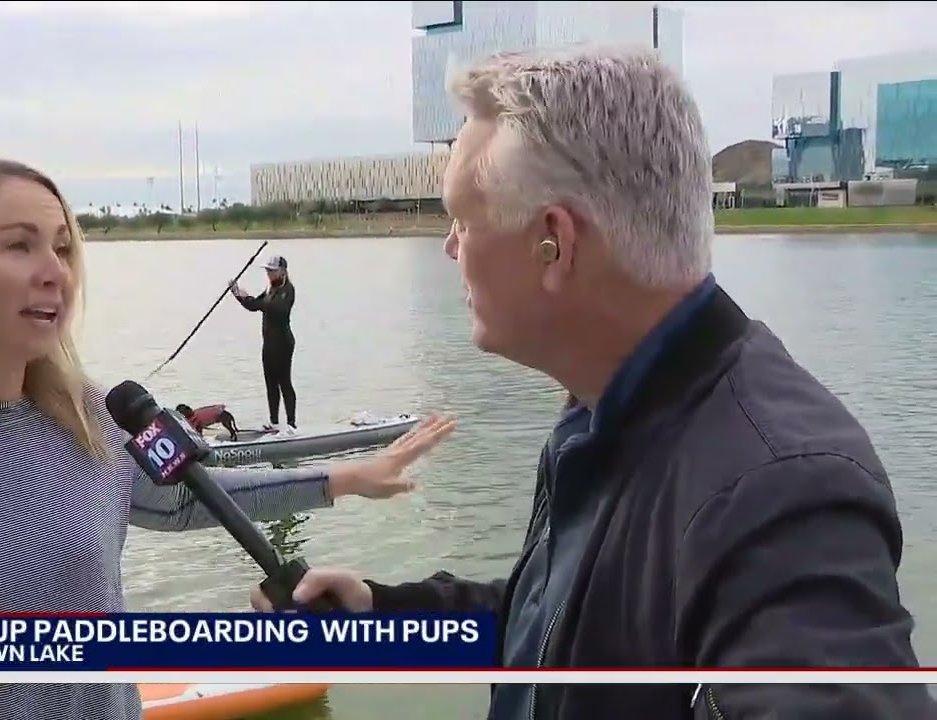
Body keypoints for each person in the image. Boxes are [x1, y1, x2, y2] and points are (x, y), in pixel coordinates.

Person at [251, 47, 935, 719]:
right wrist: (383, 611)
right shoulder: (603, 410)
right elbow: (563, 629)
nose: (450, 248)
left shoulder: (778, 493)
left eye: (464, 218)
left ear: (554, 242)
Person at [0, 158, 458, 720]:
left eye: (63, 247)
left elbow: (184, 501)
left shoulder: (91, 415)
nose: (55, 270)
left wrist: (346, 478)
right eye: (19, 246)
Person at [229, 255, 296, 431]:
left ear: (282, 271)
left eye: (272, 271)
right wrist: (238, 294)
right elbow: (254, 305)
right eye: (267, 270)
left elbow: (279, 310)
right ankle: (273, 422)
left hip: (283, 343)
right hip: (269, 344)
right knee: (270, 383)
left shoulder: (288, 290)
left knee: (284, 382)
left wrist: (259, 302)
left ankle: (291, 424)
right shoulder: (269, 289)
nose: (269, 274)